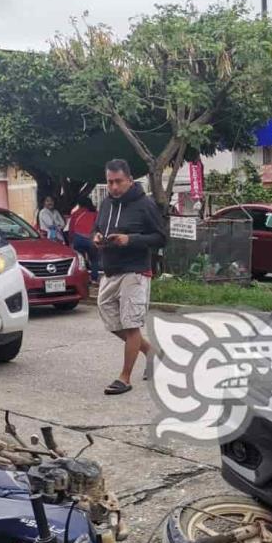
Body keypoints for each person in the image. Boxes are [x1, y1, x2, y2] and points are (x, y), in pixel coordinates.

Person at [92, 159, 166, 395]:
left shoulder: (145, 204)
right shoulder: (106, 204)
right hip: (111, 269)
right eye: (109, 181)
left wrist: (130, 239)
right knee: (109, 317)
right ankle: (152, 352)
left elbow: (161, 238)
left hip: (136, 270)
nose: (114, 187)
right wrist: (96, 236)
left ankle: (124, 378)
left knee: (131, 323)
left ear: (129, 180)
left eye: (118, 181)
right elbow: (97, 227)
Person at [66, 195, 101, 284]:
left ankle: (84, 279)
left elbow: (71, 228)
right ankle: (94, 278)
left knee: (81, 261)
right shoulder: (95, 213)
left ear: (79, 204)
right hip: (90, 239)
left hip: (78, 238)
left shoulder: (75, 213)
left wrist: (71, 241)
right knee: (94, 259)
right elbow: (99, 226)